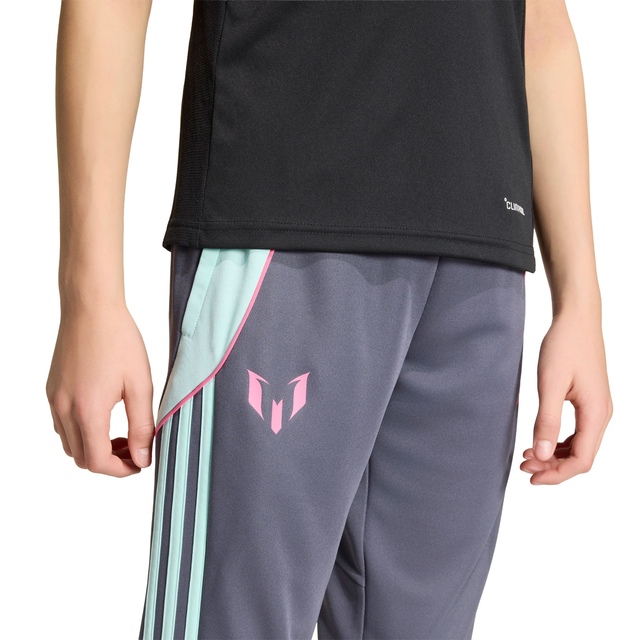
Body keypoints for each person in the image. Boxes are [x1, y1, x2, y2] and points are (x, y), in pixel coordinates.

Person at [46, 1, 613, 639]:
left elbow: (541, 27)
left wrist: (581, 302)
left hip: (479, 264)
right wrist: (89, 296)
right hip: (280, 231)